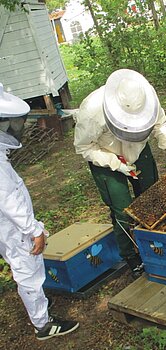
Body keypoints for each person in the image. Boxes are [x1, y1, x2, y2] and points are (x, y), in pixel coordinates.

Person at [74, 69, 166, 278]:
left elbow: (160, 124)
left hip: (139, 149)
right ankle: (131, 257)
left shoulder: (147, 95)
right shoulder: (91, 111)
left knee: (153, 197)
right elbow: (83, 148)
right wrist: (115, 164)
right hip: (105, 156)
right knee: (122, 210)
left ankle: (159, 245)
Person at [0, 83, 79, 340]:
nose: (13, 129)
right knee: (28, 271)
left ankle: (39, 308)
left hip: (9, 225)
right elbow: (8, 199)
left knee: (24, 267)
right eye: (8, 124)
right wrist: (33, 230)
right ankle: (43, 325)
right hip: (12, 227)